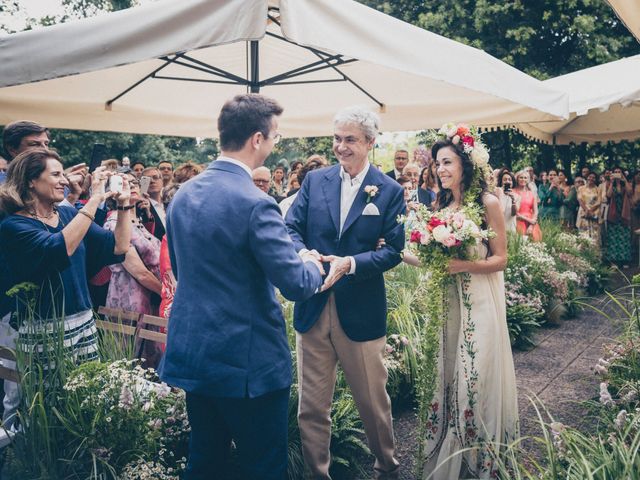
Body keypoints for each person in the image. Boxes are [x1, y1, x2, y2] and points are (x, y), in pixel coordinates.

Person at [158, 94, 324, 480]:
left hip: (195, 352)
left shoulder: (182, 195)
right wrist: (314, 264)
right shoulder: (256, 202)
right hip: (247, 362)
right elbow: (297, 284)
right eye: (275, 137)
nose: (273, 144)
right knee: (262, 465)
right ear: (256, 139)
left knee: (205, 461)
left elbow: (182, 270)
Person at [286, 106, 405, 480]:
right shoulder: (315, 181)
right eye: (337, 139)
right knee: (311, 407)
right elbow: (290, 228)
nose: (340, 147)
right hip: (313, 307)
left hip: (361, 312)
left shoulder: (389, 190)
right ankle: (316, 473)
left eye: (349, 139)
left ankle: (386, 466)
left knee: (372, 403)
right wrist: (303, 253)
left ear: (370, 142)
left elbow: (393, 251)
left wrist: (350, 263)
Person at [0, 149, 131, 426]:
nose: (65, 181)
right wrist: (93, 200)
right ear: (31, 181)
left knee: (85, 402)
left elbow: (118, 247)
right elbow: (58, 249)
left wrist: (124, 207)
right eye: (56, 174)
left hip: (82, 322)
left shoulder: (69, 214)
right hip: (43, 330)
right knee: (47, 409)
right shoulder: (14, 225)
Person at [418, 131, 518, 479]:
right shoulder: (440, 206)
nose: (440, 169)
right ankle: (451, 457)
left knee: (473, 380)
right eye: (437, 163)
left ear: (466, 164)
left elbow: (502, 259)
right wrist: (404, 253)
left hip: (480, 304)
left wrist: (464, 266)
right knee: (448, 377)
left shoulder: (489, 202)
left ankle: (479, 463)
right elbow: (433, 258)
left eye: (447, 162)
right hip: (449, 306)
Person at [104, 171, 162, 366]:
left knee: (150, 365)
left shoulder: (139, 221)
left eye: (134, 182)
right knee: (128, 363)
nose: (133, 185)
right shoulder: (114, 224)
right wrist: (170, 294)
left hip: (151, 301)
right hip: (130, 301)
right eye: (124, 183)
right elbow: (140, 273)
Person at [605, 167, 633, 267]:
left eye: (619, 172)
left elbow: (630, 192)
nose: (617, 173)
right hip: (613, 213)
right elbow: (608, 195)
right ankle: (613, 261)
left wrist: (624, 180)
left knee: (624, 237)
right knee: (613, 238)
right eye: (615, 172)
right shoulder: (610, 184)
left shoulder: (625, 184)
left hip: (624, 213)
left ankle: (624, 260)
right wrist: (612, 182)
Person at [514, 170, 542, 241]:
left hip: (531, 222)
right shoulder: (513, 192)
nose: (523, 179)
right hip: (518, 221)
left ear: (528, 179)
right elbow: (514, 212)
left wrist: (531, 225)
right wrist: (530, 220)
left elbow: (535, 211)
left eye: (525, 178)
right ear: (517, 179)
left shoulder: (531, 193)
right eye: (521, 177)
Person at [576, 172, 603, 246]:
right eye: (590, 176)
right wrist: (587, 210)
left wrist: (591, 211)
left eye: (593, 177)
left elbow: (599, 201)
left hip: (594, 213)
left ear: (595, 179)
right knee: (583, 234)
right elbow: (580, 199)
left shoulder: (598, 189)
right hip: (583, 212)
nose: (591, 178)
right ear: (587, 177)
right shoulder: (581, 188)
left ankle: (594, 254)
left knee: (595, 235)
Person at [140, 166, 166, 241]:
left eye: (155, 177)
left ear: (162, 181)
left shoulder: (170, 202)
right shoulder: (141, 207)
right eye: (146, 179)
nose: (152, 181)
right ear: (142, 184)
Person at [496, 168, 520, 233]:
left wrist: (513, 200)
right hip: (499, 226)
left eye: (509, 180)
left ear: (512, 182)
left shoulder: (517, 196)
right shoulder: (497, 192)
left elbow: (514, 213)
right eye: (505, 180)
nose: (507, 181)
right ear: (501, 182)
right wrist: (501, 193)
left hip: (510, 226)